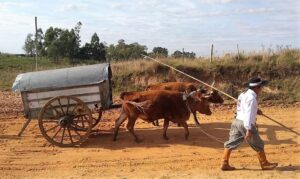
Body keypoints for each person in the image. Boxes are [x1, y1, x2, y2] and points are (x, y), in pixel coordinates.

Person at [221, 77, 278, 171]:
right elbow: (248, 115)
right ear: (257, 88)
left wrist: (255, 110)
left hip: (237, 121)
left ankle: (224, 163)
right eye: (261, 87)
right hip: (245, 123)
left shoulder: (243, 94)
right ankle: (264, 164)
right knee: (258, 144)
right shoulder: (252, 98)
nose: (261, 89)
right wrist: (249, 129)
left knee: (231, 142)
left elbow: (243, 108)